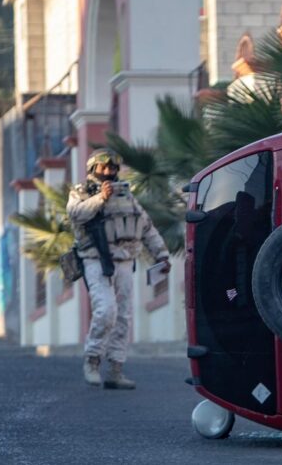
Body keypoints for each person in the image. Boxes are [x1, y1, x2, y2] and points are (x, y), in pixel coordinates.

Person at [67, 148, 170, 389]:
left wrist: (162, 254)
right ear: (93, 168)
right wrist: (100, 199)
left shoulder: (126, 195)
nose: (109, 172)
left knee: (123, 316)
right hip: (95, 259)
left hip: (125, 261)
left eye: (113, 167)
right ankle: (92, 360)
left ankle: (115, 369)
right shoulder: (82, 192)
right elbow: (75, 214)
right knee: (105, 310)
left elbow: (145, 226)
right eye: (104, 167)